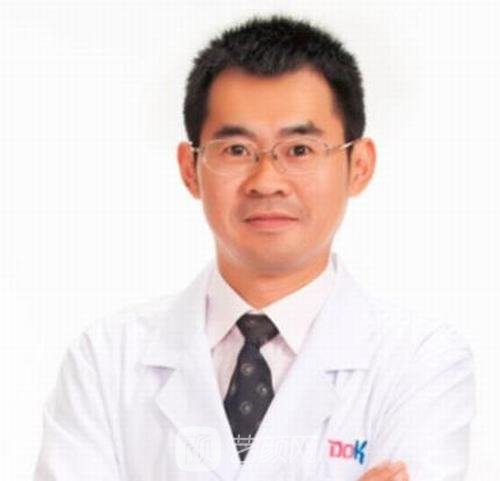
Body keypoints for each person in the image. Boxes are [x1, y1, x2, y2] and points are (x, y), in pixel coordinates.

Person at [34, 14, 475, 481]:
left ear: (359, 165)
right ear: (190, 169)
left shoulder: (422, 362)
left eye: (300, 149)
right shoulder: (105, 360)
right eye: (237, 150)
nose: (267, 181)